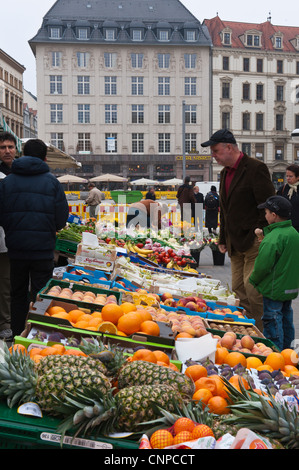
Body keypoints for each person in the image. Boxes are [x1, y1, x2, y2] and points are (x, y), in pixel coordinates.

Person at [201, 129, 275, 330]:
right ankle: (250, 329)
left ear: (229, 147)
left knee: (253, 290)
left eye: (215, 151)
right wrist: (222, 237)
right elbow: (225, 210)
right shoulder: (225, 173)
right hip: (234, 242)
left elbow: (268, 204)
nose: (213, 156)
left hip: (254, 240)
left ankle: (264, 332)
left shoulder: (255, 168)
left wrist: (259, 231)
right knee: (238, 290)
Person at [0, 138, 69, 337]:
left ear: (22, 153)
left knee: (17, 293)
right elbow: (61, 218)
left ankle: (16, 333)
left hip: (16, 248)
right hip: (43, 249)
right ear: (45, 158)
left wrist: (13, 229)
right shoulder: (52, 182)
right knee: (40, 294)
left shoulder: (8, 182)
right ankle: (38, 335)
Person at [249, 196, 299, 350]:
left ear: (274, 215)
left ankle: (274, 351)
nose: (265, 216)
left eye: (266, 212)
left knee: (272, 319)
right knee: (286, 318)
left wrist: (253, 280)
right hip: (289, 287)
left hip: (273, 288)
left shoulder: (274, 238)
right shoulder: (294, 233)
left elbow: (263, 265)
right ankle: (288, 350)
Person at [0, 132, 16, 341]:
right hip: (3, 236)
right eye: (2, 147)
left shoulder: (19, 174)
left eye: (10, 147)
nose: (7, 151)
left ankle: (6, 322)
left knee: (7, 283)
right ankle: (4, 323)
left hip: (12, 238)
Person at [277, 164, 299, 232]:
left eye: (291, 176)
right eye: (287, 176)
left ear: (298, 177)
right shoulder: (283, 189)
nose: (288, 178)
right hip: (285, 225)